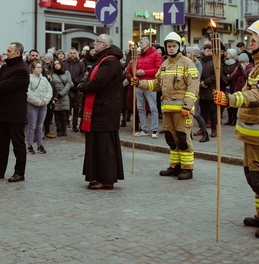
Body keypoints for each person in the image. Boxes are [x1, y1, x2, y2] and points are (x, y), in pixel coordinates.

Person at [213, 18, 259, 239]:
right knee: (254, 176)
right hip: (255, 133)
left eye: (253, 38)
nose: (250, 42)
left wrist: (230, 100)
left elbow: (258, 95)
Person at [133, 32, 200, 180]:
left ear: (180, 47)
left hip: (182, 110)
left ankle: (187, 169)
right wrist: (140, 83)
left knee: (183, 139)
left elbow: (193, 86)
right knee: (171, 138)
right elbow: (156, 84)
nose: (170, 48)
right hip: (168, 109)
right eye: (168, 46)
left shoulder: (187, 63)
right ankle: (175, 166)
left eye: (173, 46)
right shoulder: (164, 64)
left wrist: (187, 107)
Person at [80, 34, 125, 190]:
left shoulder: (110, 62)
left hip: (104, 110)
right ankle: (102, 176)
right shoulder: (106, 60)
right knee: (100, 145)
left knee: (104, 146)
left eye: (97, 42)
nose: (94, 44)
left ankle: (105, 178)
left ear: (105, 45)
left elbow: (98, 82)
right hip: (102, 109)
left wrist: (83, 87)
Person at [0, 41, 29, 183]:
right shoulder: (6, 67)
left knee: (18, 145)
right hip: (3, 112)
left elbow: (5, 86)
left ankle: (19, 173)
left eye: (9, 51)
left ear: (17, 53)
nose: (6, 52)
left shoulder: (22, 70)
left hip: (15, 113)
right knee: (2, 144)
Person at [133, 36, 163, 138]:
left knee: (153, 107)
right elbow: (134, 67)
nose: (140, 44)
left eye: (141, 42)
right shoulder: (139, 55)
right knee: (140, 107)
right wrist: (136, 72)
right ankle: (144, 129)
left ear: (147, 44)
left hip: (150, 84)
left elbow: (158, 69)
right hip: (140, 83)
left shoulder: (156, 55)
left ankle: (154, 129)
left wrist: (144, 72)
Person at [26, 61, 53, 154]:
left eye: (40, 67)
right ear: (33, 69)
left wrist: (45, 101)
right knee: (32, 125)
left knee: (40, 125)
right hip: (32, 105)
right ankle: (29, 145)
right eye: (37, 67)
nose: (40, 69)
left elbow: (49, 91)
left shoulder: (44, 79)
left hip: (43, 105)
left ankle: (40, 145)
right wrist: (38, 102)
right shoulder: (29, 79)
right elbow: (28, 93)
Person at [49, 59, 73, 138]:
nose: (56, 65)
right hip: (55, 96)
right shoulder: (52, 74)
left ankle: (64, 129)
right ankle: (58, 130)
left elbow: (68, 84)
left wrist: (62, 93)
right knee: (57, 114)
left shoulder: (66, 73)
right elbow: (51, 85)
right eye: (55, 64)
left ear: (61, 64)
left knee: (64, 114)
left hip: (64, 95)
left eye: (58, 63)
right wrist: (55, 95)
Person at [64, 48, 85, 133]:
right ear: (68, 54)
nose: (72, 55)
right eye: (71, 53)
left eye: (74, 53)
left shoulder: (80, 64)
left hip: (76, 88)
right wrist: (68, 82)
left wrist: (75, 82)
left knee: (76, 107)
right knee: (66, 107)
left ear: (76, 54)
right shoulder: (64, 63)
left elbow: (82, 74)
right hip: (66, 88)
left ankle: (75, 125)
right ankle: (65, 123)